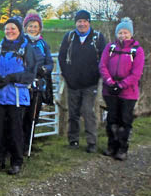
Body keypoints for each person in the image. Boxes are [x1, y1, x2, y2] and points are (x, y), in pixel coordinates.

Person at [0, 17, 37, 175]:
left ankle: (16, 161)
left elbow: (30, 73)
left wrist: (11, 78)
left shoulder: (27, 48)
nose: (9, 31)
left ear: (19, 30)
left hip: (16, 96)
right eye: (7, 29)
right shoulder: (0, 47)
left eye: (13, 29)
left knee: (15, 130)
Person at [58, 10, 107, 153]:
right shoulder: (69, 37)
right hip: (72, 83)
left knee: (88, 111)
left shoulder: (98, 38)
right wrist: (68, 76)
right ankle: (73, 140)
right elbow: (61, 57)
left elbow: (103, 59)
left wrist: (96, 76)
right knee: (73, 113)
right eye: (79, 21)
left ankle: (91, 141)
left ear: (89, 22)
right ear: (76, 23)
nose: (82, 24)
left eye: (85, 21)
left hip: (90, 83)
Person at [99, 17, 144, 161]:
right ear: (116, 34)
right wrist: (110, 82)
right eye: (120, 33)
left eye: (125, 33)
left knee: (125, 120)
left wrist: (121, 85)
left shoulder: (137, 51)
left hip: (128, 92)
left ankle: (122, 148)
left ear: (130, 33)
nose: (122, 36)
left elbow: (136, 73)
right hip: (110, 90)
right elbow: (102, 65)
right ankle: (111, 146)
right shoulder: (110, 48)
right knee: (111, 119)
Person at [22, 11, 54, 154]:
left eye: (35, 26)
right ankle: (20, 143)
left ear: (39, 28)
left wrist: (44, 70)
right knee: (22, 115)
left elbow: (50, 63)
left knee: (34, 115)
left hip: (39, 85)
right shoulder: (22, 42)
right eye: (30, 26)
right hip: (24, 84)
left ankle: (30, 140)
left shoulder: (43, 44)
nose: (32, 29)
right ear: (25, 27)